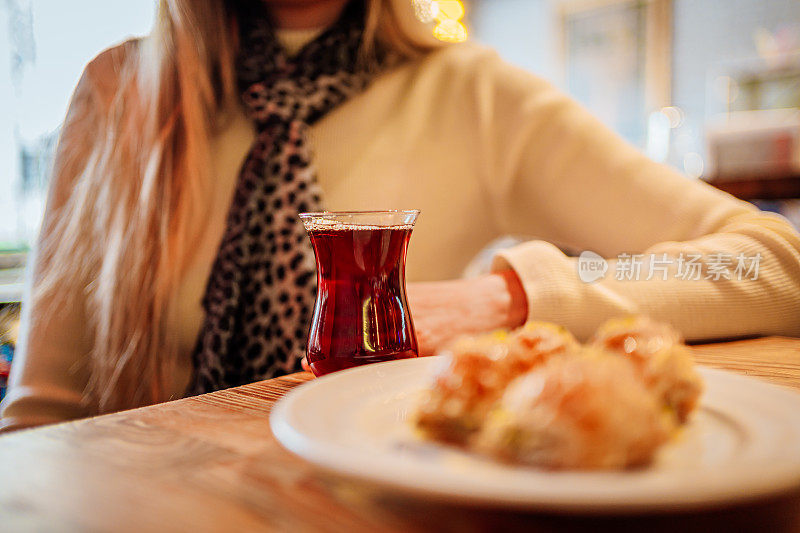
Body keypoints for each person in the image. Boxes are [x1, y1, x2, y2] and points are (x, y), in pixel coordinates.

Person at [2, 0, 799, 432]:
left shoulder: (478, 96)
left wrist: (511, 297)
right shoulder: (118, 91)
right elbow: (41, 419)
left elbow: (775, 259)